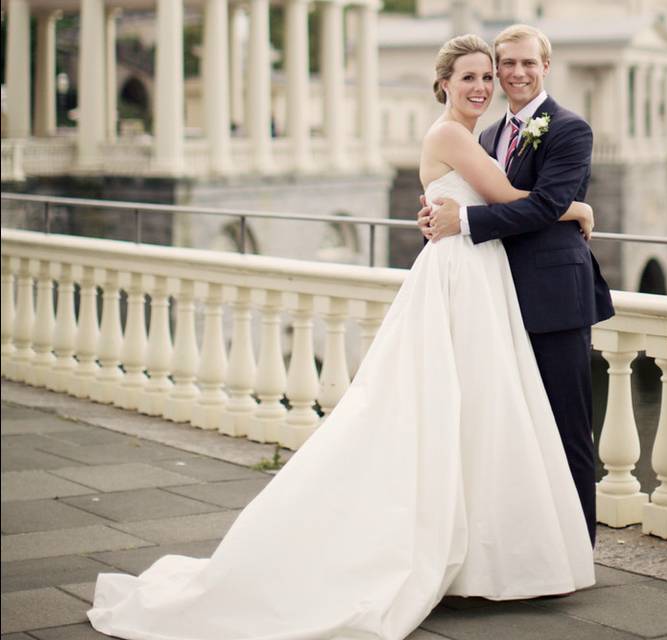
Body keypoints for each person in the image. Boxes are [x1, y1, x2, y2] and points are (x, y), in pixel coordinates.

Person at [87, 34, 595, 640]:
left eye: (491, 75)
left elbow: (486, 202)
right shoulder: (458, 135)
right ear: (444, 85)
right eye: (472, 77)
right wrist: (578, 212)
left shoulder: (493, 134)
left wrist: (474, 214)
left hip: (481, 279)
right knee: (462, 411)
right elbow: (515, 199)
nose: (485, 85)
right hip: (463, 280)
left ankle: (496, 553)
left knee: (477, 416)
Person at [418, 24, 614, 546]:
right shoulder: (482, 136)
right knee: (511, 428)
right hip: (492, 295)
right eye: (506, 65)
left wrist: (464, 222)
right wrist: (443, 217)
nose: (515, 73)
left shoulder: (570, 129)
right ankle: (526, 544)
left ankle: (576, 547)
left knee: (566, 427)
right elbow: (490, 197)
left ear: (545, 66)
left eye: (528, 63)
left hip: (553, 297)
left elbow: (545, 204)